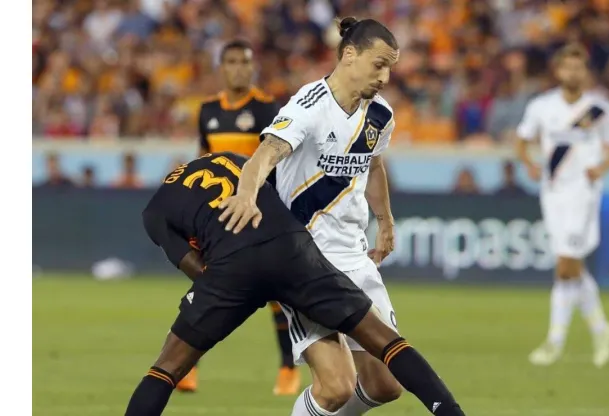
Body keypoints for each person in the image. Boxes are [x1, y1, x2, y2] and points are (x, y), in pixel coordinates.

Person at [124, 152, 465, 416]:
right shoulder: (233, 159)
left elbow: (192, 265)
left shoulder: (154, 211)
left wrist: (230, 296)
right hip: (293, 250)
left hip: (233, 268)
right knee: (385, 341)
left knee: (167, 367)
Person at [217, 16, 427, 416]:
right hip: (304, 262)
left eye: (390, 68)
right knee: (335, 386)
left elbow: (374, 165)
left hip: (354, 257)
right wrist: (246, 194)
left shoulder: (380, 115)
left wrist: (385, 221)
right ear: (349, 55)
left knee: (386, 384)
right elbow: (264, 155)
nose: (385, 76)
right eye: (378, 64)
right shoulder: (308, 106)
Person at [182, 38, 299, 396]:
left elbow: (277, 160)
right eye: (231, 61)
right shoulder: (207, 110)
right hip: (219, 215)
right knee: (205, 285)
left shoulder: (267, 109)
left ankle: (287, 369)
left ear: (253, 67)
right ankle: (186, 369)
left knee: (277, 295)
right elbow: (204, 159)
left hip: (260, 211)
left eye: (245, 62)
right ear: (222, 67)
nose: (238, 68)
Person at [515, 43, 609, 368]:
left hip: (583, 193)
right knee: (573, 266)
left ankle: (554, 341)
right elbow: (522, 141)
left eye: (578, 67)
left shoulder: (600, 109)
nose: (572, 73)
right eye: (567, 67)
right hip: (553, 192)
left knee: (564, 266)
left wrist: (601, 168)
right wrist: (530, 164)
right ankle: (602, 329)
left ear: (585, 71)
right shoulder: (541, 107)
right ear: (558, 71)